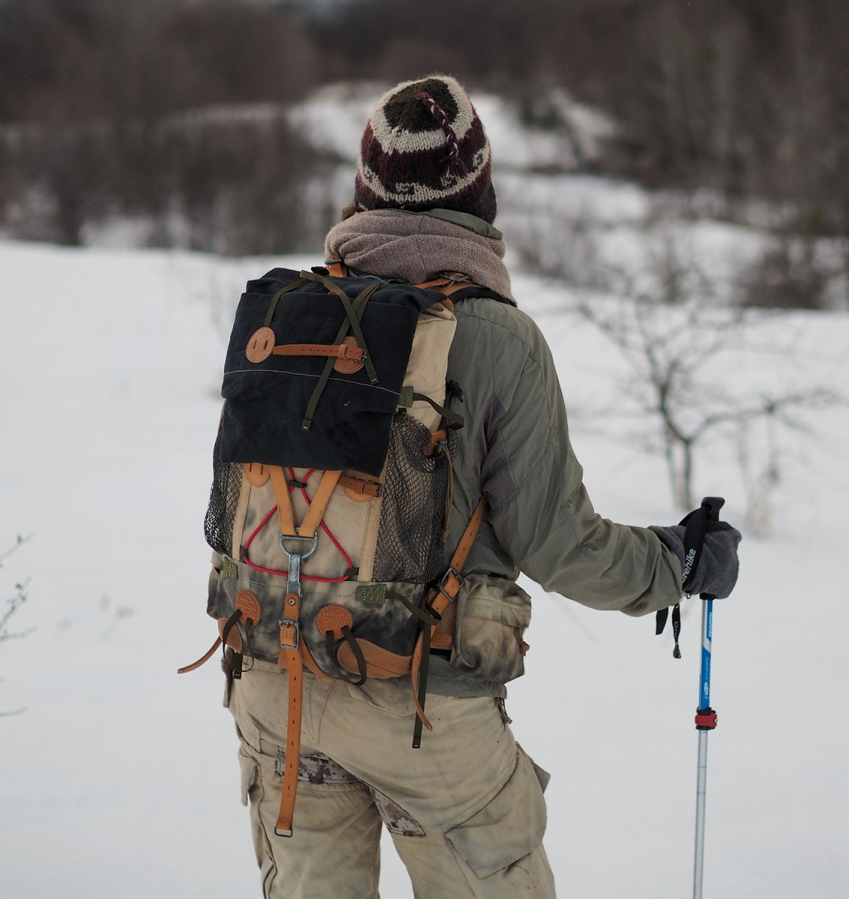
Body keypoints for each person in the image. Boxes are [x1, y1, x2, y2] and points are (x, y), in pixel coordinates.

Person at [225, 74, 741, 898]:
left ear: (364, 190)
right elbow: (558, 545)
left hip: (274, 681)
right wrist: (674, 563)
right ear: (479, 193)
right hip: (421, 709)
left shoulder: (291, 316)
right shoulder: (499, 337)